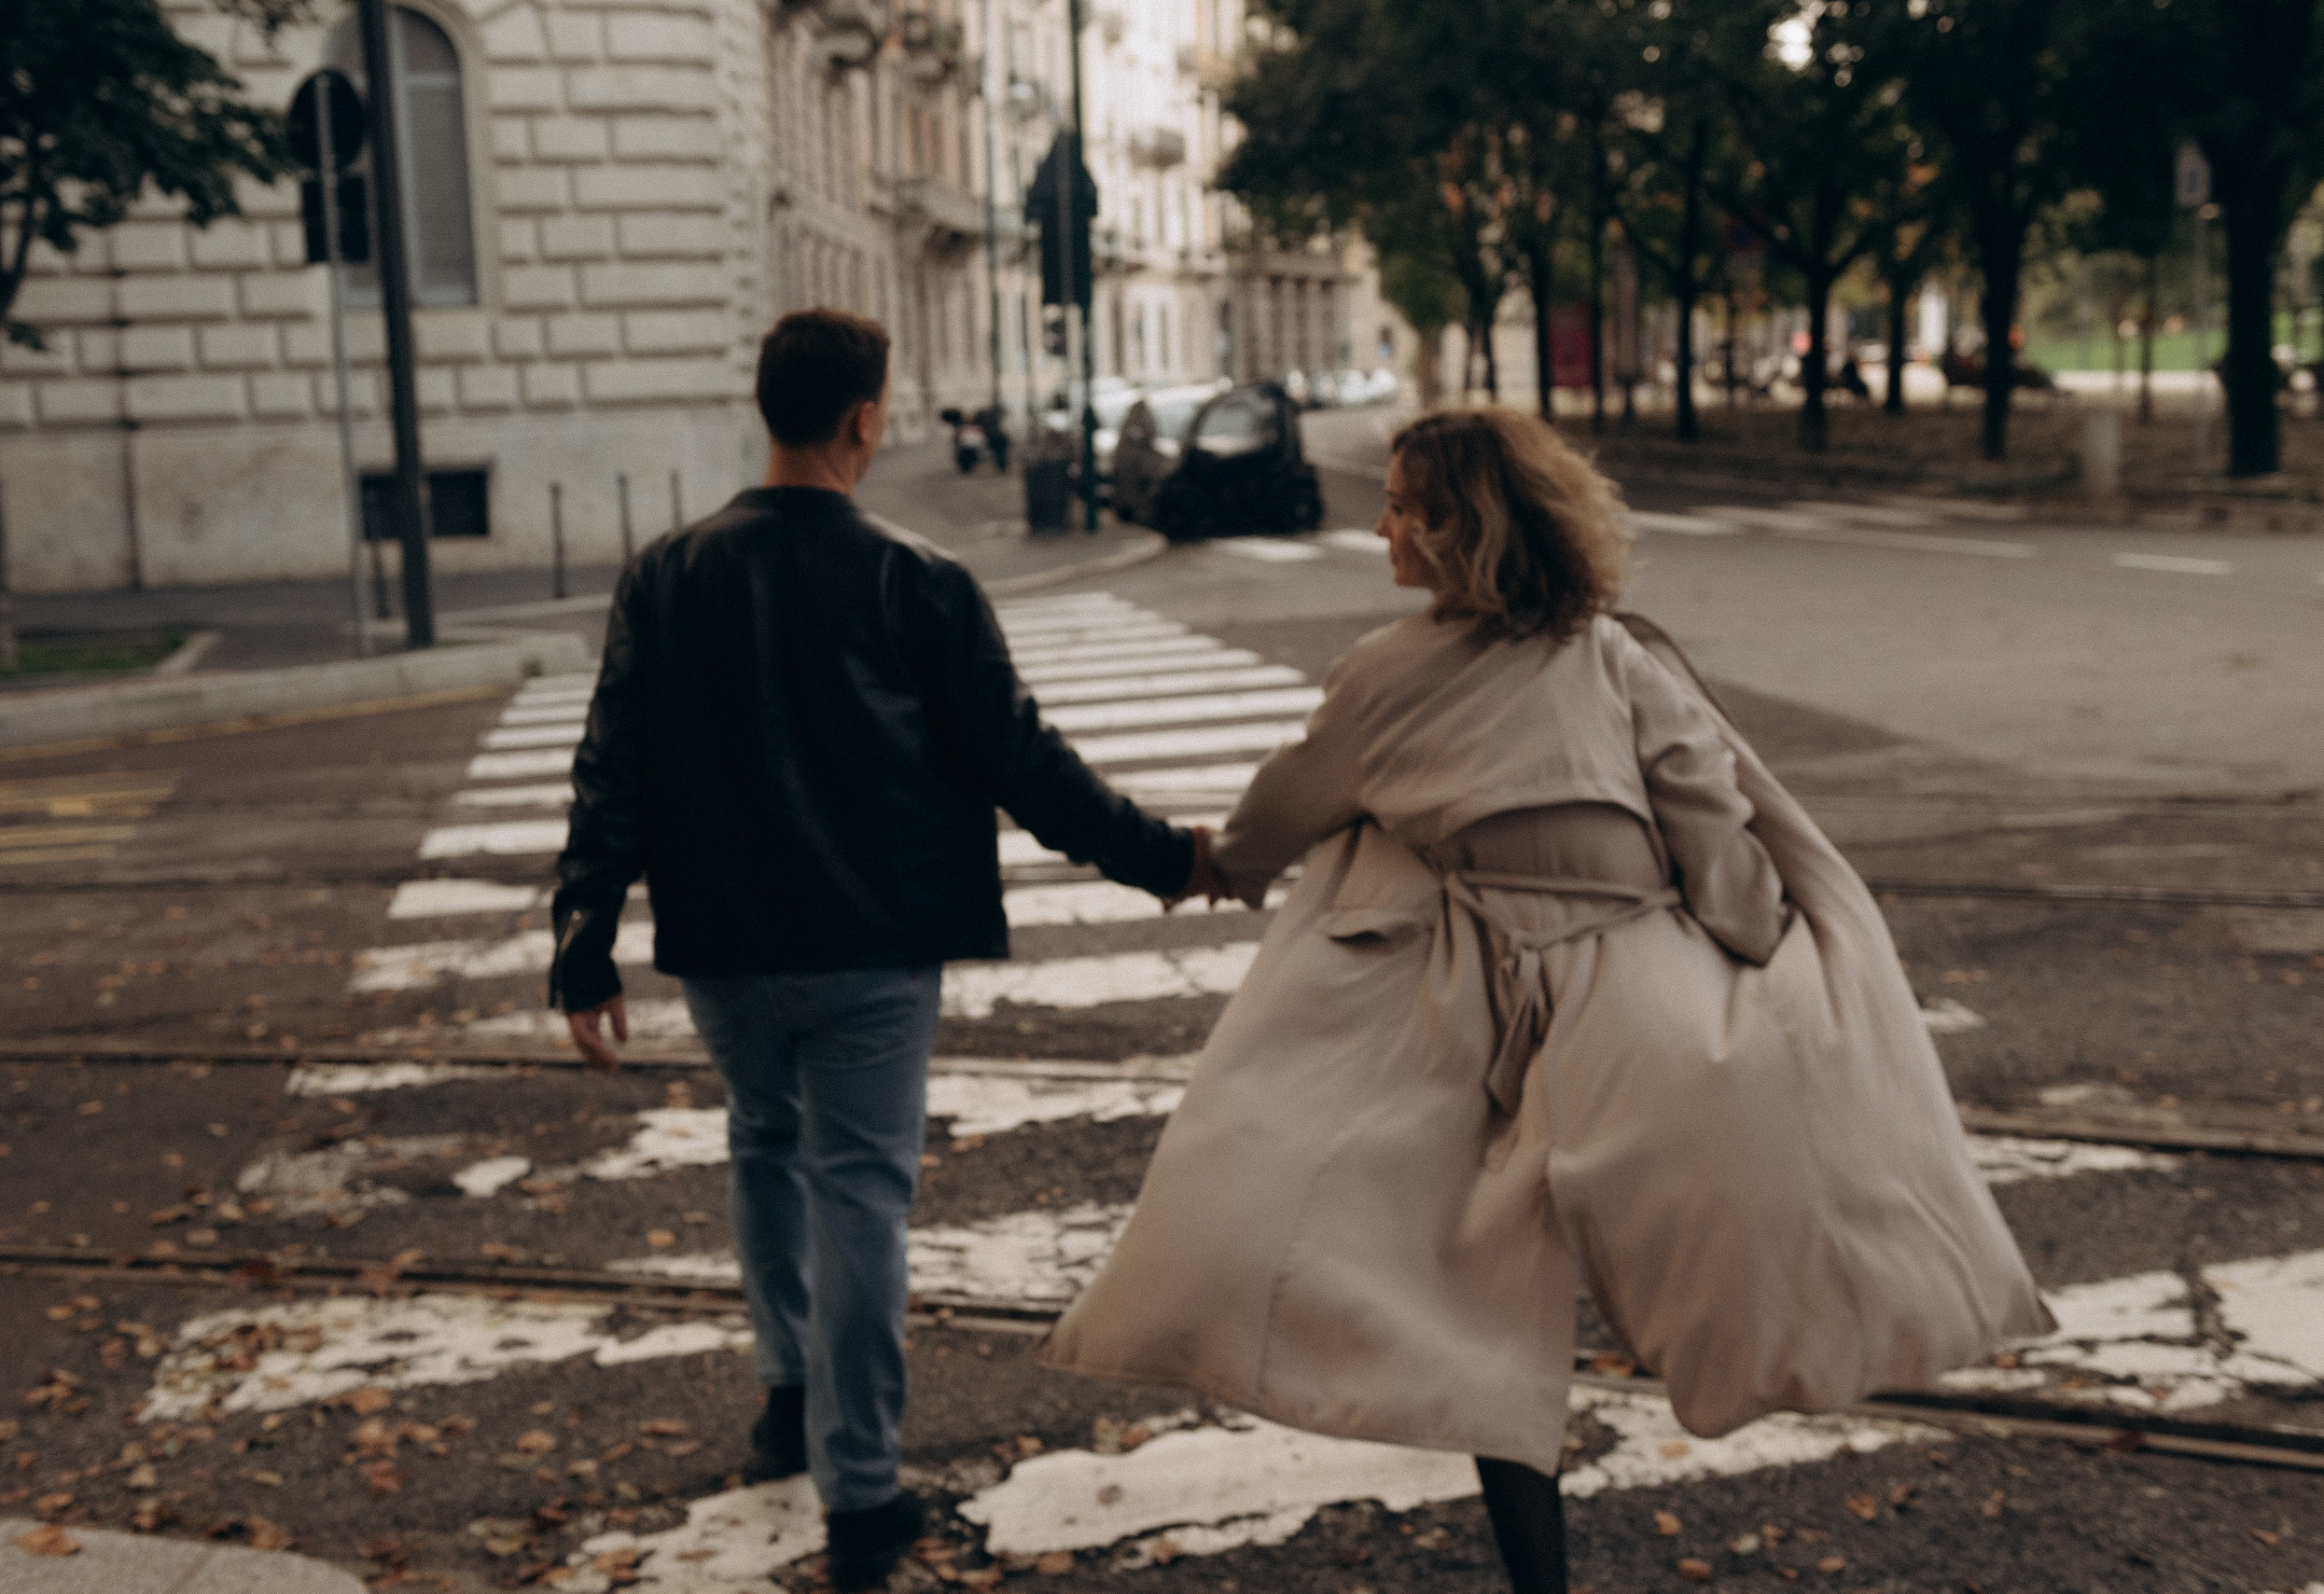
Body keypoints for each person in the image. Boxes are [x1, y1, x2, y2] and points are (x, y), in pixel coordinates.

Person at [1037, 409, 2053, 1594]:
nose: (1382, 526)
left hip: (1464, 1014)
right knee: (1731, 1233)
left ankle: (1539, 1575)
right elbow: (1711, 828)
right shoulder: (1613, 656)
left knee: (1482, 1295)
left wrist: (1205, 863)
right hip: (1638, 1002)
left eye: (1403, 508)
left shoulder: (1380, 677)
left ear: (1457, 531)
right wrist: (1759, 953)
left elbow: (1276, 816)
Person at [548, 309, 1217, 1592]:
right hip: (871, 946)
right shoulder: (918, 577)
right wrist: (1169, 859)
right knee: (858, 1189)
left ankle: (786, 1400)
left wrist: (585, 937)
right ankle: (860, 1497)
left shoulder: (665, 572)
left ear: (768, 407)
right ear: (865, 417)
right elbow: (1024, 765)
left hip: (724, 945)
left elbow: (610, 763)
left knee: (764, 1142)